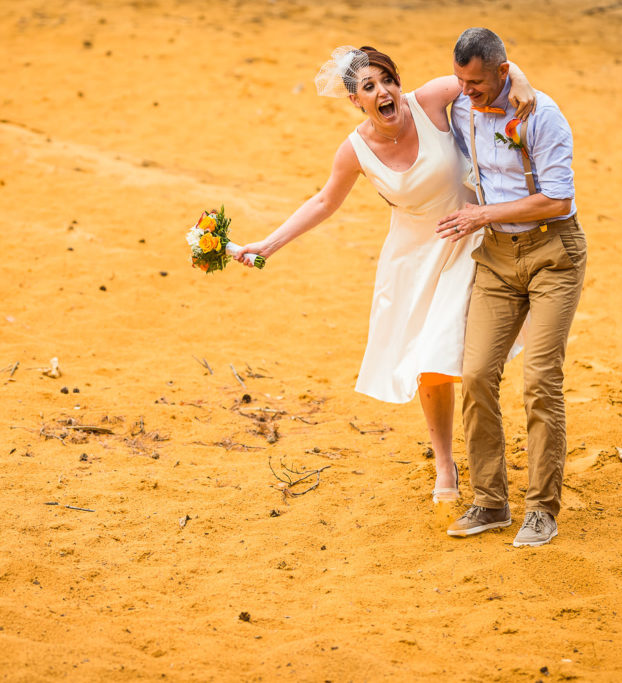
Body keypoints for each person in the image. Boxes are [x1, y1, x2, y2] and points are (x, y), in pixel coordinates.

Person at [235, 46, 533, 504]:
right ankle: (444, 462)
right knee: (429, 365)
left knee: (467, 356)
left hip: (470, 237)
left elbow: (487, 77)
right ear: (356, 100)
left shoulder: (430, 100)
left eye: (387, 81)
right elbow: (322, 203)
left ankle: (491, 456)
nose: (383, 91)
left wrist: (524, 84)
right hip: (412, 259)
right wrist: (267, 245)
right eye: (369, 87)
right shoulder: (354, 150)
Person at [437, 28, 586, 547]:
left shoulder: (542, 115)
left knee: (542, 380)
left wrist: (482, 212)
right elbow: (410, 101)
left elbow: (558, 201)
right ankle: (491, 500)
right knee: (476, 374)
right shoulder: (460, 105)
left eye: (476, 81)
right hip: (497, 258)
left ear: (502, 72)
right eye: (460, 80)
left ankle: (542, 508)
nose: (466, 90)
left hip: (552, 255)